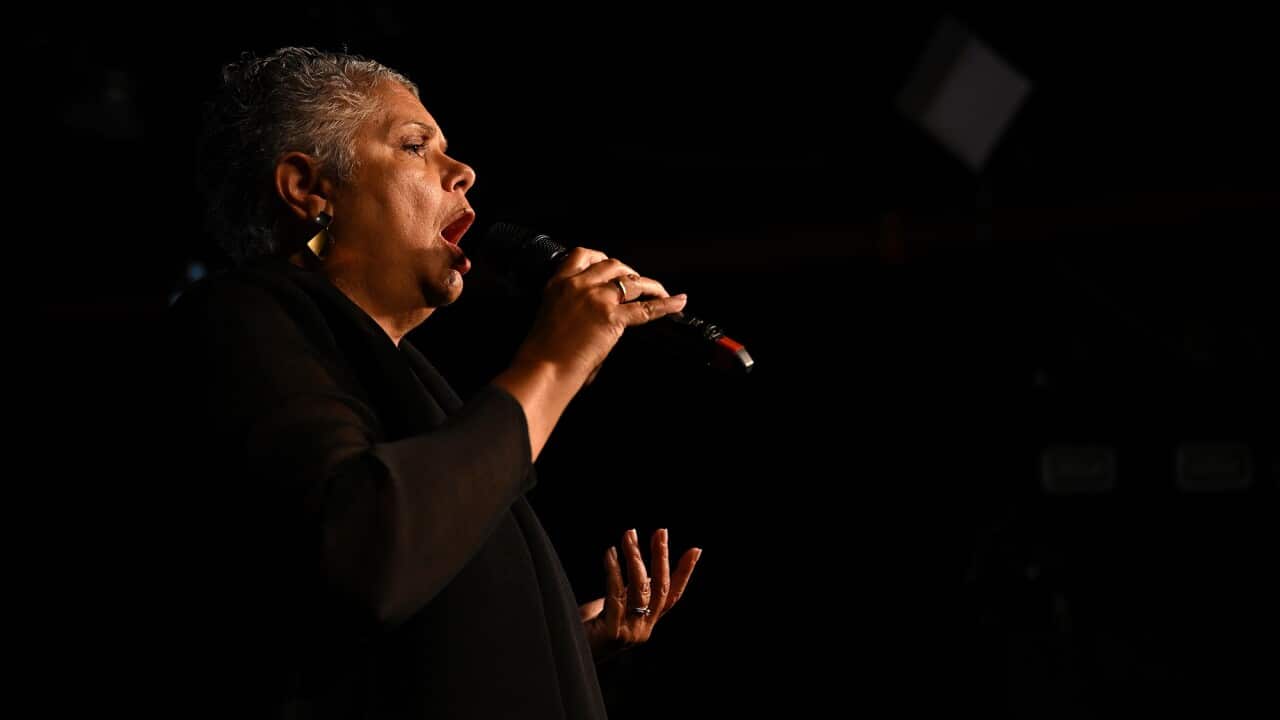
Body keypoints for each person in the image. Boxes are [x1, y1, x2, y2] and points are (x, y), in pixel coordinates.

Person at [158, 46, 701, 718]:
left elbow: (380, 646)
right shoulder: (240, 318)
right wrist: (556, 363)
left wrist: (551, 640)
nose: (463, 172)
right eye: (415, 145)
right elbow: (364, 552)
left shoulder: (408, 376)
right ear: (308, 187)